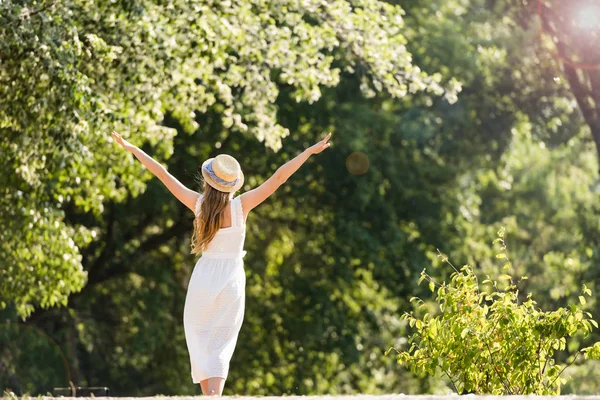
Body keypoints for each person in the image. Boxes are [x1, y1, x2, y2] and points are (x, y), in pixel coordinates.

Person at [110, 130, 332, 396]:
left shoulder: (198, 204)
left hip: (204, 278)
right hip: (231, 280)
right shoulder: (242, 206)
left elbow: (162, 174)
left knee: (201, 339)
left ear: (207, 181)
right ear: (232, 184)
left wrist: (133, 148)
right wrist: (308, 152)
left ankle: (210, 396)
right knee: (220, 343)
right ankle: (213, 396)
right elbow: (279, 177)